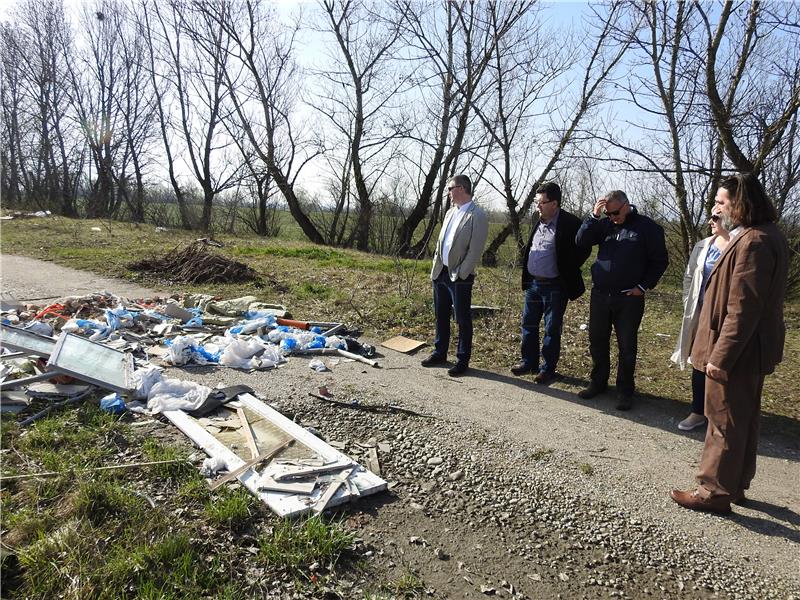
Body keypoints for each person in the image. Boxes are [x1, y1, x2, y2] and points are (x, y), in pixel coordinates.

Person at [671, 173, 789, 515]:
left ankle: (713, 492)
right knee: (741, 419)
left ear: (739, 204)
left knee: (722, 421)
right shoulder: (766, 235)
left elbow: (742, 307)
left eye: (722, 202)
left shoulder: (753, 242)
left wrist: (720, 357)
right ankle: (735, 485)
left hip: (737, 351)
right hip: (750, 350)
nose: (716, 208)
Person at [574, 190, 669, 410]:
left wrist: (643, 286)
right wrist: (593, 217)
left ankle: (624, 391)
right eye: (608, 213)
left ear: (627, 205)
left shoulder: (647, 228)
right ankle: (598, 383)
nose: (613, 216)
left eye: (615, 212)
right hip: (600, 295)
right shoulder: (604, 223)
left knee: (627, 347)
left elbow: (660, 261)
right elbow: (581, 241)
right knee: (597, 341)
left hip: (629, 298)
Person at [511, 182, 590, 384]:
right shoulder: (539, 221)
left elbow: (584, 248)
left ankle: (548, 369)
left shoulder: (571, 223)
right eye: (536, 202)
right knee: (528, 324)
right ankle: (529, 362)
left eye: (541, 203)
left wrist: (568, 268)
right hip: (534, 285)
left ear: (554, 203)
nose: (537, 206)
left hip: (555, 286)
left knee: (551, 329)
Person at [421, 174, 489, 376]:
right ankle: (439, 352)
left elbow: (475, 250)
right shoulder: (451, 212)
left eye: (450, 188)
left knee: (462, 319)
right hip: (441, 272)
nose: (448, 193)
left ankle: (462, 360)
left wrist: (461, 273)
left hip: (459, 276)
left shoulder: (477, 215)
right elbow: (442, 242)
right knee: (440, 315)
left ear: (461, 188)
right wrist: (436, 265)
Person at [670, 209, 730, 431]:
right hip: (701, 314)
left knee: (722, 364)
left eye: (716, 217)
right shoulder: (703, 245)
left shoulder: (740, 245)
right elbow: (689, 276)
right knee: (699, 362)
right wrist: (690, 302)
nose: (710, 221)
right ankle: (698, 412)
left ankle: (720, 415)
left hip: (727, 318)